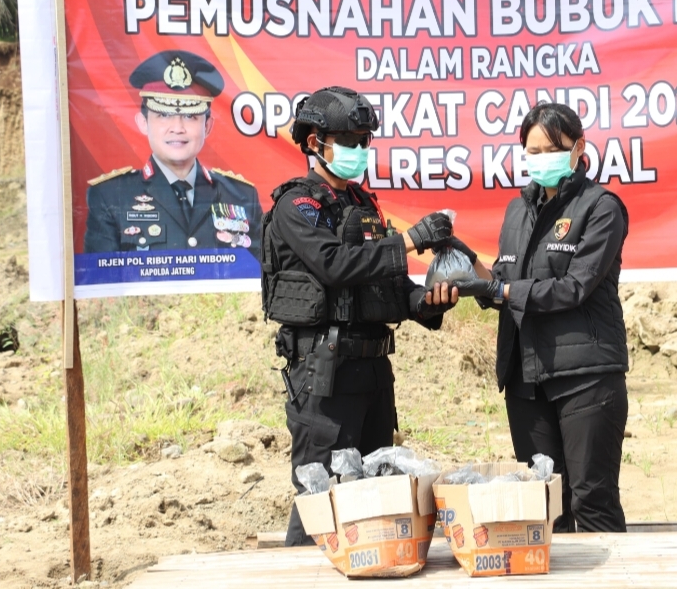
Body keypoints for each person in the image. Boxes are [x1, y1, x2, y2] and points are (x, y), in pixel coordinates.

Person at [262, 85, 458, 546]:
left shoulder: (363, 205)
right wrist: (410, 240)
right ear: (316, 143)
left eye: (364, 141)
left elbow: (387, 285)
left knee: (374, 496)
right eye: (349, 141)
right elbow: (334, 265)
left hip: (373, 373)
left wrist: (427, 302)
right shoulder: (297, 206)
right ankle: (299, 574)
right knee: (321, 499)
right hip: (324, 376)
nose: (359, 150)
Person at [452, 102, 630, 533]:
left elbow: (574, 287)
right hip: (525, 381)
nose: (542, 159)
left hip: (585, 378)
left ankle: (612, 570)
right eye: (533, 151)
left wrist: (503, 290)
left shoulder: (601, 208)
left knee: (592, 500)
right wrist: (464, 262)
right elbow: (502, 284)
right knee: (544, 506)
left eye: (553, 149)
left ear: (579, 148)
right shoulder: (518, 211)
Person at [83, 50, 262, 258]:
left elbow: (260, 271)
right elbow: (102, 275)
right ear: (143, 123)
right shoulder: (110, 196)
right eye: (164, 115)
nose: (177, 128)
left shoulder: (241, 195)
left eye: (190, 116)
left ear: (207, 126)